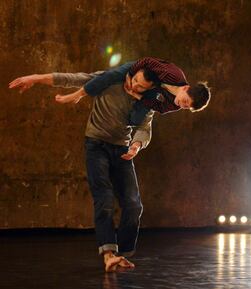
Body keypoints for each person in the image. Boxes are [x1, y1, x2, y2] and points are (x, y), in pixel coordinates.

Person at [8, 60, 210, 272]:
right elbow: (72, 78)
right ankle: (108, 255)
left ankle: (121, 254)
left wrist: (136, 146)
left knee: (133, 205)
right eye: (135, 82)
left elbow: (144, 127)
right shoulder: (109, 80)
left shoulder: (147, 100)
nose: (135, 88)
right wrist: (37, 78)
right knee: (104, 199)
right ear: (131, 74)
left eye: (142, 88)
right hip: (96, 147)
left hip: (122, 150)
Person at [54, 57, 211, 121]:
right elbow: (147, 61)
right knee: (112, 75)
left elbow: (158, 107)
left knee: (136, 119)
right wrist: (130, 75)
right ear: (185, 88)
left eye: (186, 106)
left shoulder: (175, 105)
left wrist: (137, 95)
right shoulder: (173, 75)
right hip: (141, 70)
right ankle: (78, 94)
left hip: (150, 91)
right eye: (185, 101)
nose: (182, 105)